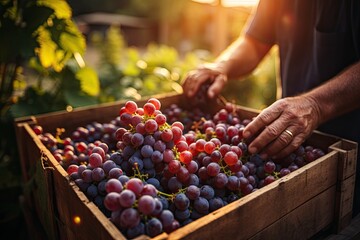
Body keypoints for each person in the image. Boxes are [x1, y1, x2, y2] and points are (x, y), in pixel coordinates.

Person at [182, 0, 360, 217]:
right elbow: (255, 41)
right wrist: (222, 65)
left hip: (349, 152)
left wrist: (316, 105)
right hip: (287, 137)